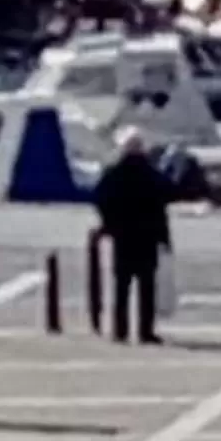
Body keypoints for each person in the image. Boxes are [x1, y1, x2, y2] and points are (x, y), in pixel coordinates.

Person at [91, 129, 172, 345]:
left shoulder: (114, 172)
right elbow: (164, 199)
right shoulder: (151, 173)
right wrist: (164, 237)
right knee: (147, 287)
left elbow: (99, 197)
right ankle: (146, 331)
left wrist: (109, 223)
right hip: (147, 235)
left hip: (123, 235)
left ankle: (121, 330)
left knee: (122, 285)